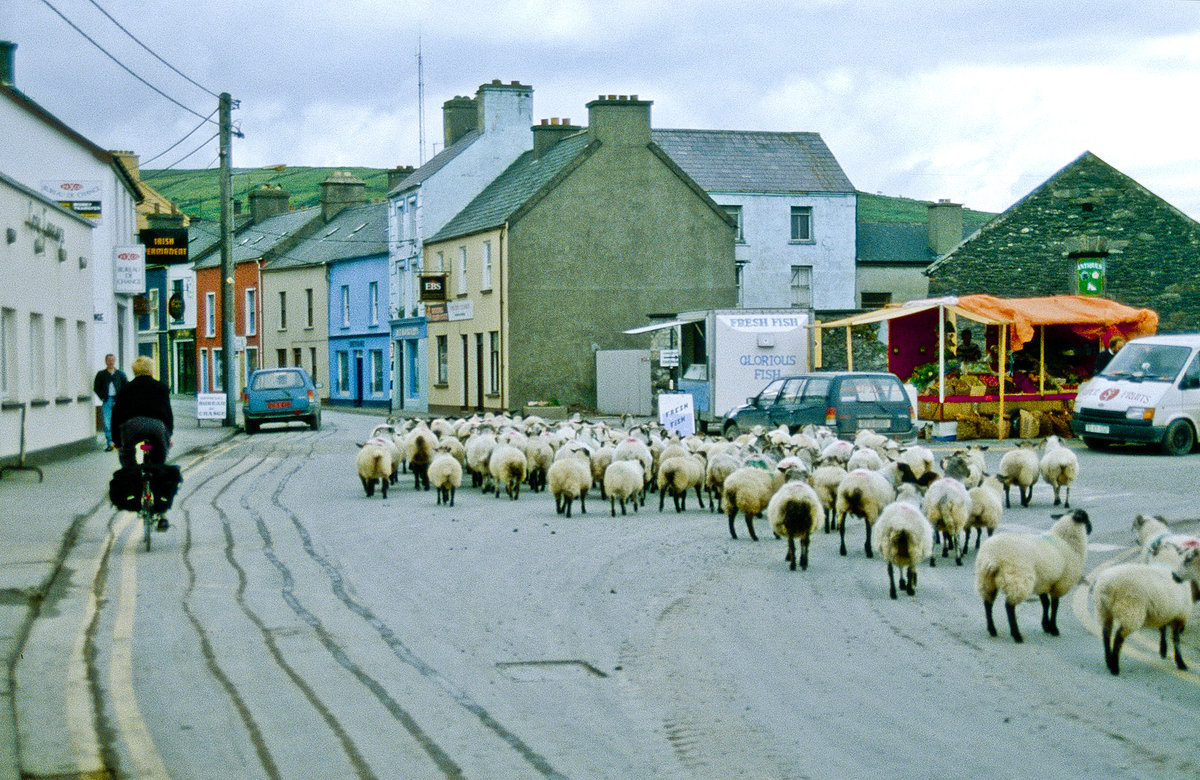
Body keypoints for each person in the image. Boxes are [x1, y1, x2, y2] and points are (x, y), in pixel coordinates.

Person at [111, 356, 174, 528]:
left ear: (134, 371)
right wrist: (168, 436)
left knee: (127, 455)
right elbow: (168, 414)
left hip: (131, 427)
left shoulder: (125, 389)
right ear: (151, 370)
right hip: (156, 427)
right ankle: (161, 512)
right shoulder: (161, 387)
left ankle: (134, 480)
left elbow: (116, 416)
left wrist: (117, 441)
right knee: (159, 465)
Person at [92, 354, 128, 451]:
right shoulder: (101, 374)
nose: (110, 362)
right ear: (106, 361)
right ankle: (110, 443)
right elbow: (96, 387)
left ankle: (119, 443)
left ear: (115, 361)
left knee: (119, 422)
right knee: (107, 423)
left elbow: (126, 387)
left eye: (112, 360)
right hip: (107, 401)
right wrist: (102, 397)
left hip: (118, 402)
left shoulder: (120, 374)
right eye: (109, 360)